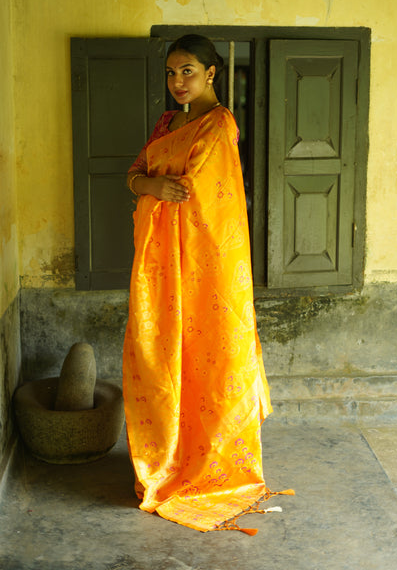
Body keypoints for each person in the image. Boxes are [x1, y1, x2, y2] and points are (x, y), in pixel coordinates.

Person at [123, 34, 293, 535]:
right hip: (161, 264)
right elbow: (139, 175)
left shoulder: (217, 125)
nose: (178, 82)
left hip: (206, 265)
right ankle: (170, 454)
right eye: (172, 73)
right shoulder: (167, 123)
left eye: (189, 71)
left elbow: (195, 195)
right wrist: (150, 186)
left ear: (211, 73)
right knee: (158, 350)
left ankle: (208, 463)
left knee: (207, 352)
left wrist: (157, 186)